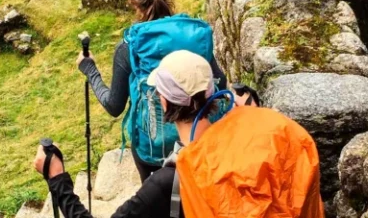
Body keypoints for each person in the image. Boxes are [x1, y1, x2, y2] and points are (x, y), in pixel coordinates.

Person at [35, 52, 323, 218]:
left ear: (164, 103)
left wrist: (57, 178)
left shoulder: (168, 183)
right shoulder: (267, 127)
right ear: (213, 94)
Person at [77, 0, 226, 181]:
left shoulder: (130, 46)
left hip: (151, 150)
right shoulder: (195, 35)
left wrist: (90, 70)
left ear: (132, 2)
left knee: (156, 199)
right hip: (198, 138)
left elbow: (114, 106)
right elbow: (220, 82)